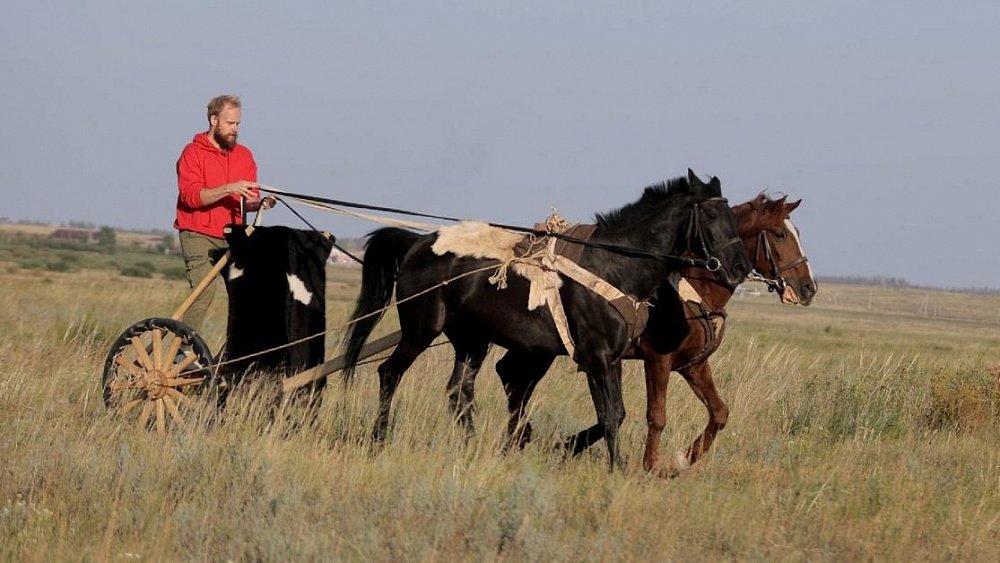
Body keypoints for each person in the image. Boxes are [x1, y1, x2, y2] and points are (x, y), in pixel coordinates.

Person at [174, 94, 274, 332]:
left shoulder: (245, 155)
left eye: (238, 124)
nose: (235, 129)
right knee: (204, 292)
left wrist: (260, 204)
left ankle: (233, 355)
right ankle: (183, 352)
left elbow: (246, 202)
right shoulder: (192, 153)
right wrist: (229, 187)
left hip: (232, 235)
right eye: (230, 123)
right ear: (213, 120)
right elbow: (191, 197)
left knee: (247, 294)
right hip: (198, 233)